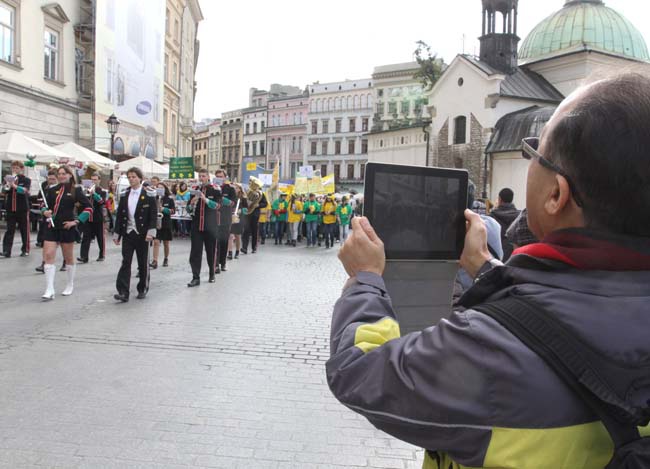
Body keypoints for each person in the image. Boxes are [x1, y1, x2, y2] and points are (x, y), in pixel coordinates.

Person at [327, 72, 650, 468]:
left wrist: (365, 280)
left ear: (556, 194)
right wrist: (487, 269)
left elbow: (360, 371)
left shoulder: (487, 349)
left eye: (535, 153)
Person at [40, 165, 92, 300]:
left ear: (70, 175)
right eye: (60, 173)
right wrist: (45, 211)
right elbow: (44, 205)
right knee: (48, 254)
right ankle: (49, 288)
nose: (61, 175)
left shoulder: (76, 190)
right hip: (52, 226)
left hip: (67, 227)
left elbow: (88, 208)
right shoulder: (52, 190)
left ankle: (70, 284)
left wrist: (77, 221)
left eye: (64, 173)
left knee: (68, 257)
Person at [113, 167, 157, 302]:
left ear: (140, 178)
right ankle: (123, 291)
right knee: (126, 261)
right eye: (129, 177)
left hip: (142, 233)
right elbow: (120, 215)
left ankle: (142, 288)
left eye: (134, 177)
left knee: (142, 261)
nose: (131, 179)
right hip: (128, 232)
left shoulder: (148, 194)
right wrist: (117, 233)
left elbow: (153, 215)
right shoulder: (125, 194)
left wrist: (151, 232)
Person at [187, 168, 220, 287]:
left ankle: (212, 273)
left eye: (203, 176)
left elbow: (217, 206)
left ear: (208, 177)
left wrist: (205, 199)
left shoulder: (215, 189)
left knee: (210, 251)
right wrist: (191, 203)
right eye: (200, 176)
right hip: (196, 226)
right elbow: (187, 210)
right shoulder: (194, 190)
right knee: (195, 252)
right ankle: (195, 277)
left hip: (210, 226)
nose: (201, 178)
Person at [1, 160, 31, 258]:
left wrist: (14, 185)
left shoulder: (26, 179)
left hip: (22, 208)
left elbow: (25, 191)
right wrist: (6, 186)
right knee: (9, 230)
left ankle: (25, 249)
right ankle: (6, 251)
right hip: (10, 208)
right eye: (13, 168)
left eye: (17, 168)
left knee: (24, 230)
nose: (14, 170)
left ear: (21, 169)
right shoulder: (7, 179)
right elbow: (3, 192)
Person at [78, 172, 108, 263]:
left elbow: (101, 202)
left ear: (99, 180)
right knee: (86, 237)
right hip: (87, 217)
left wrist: (94, 193)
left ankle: (102, 255)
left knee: (100, 237)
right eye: (92, 180)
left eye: (95, 180)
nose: (93, 181)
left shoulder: (103, 191)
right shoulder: (86, 190)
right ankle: (84, 257)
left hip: (98, 217)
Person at [489, 187, 520, 260]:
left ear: (499, 199)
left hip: (495, 259)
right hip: (513, 260)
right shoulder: (519, 217)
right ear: (512, 199)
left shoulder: (491, 217)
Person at [213, 169, 235, 271]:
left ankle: (223, 262)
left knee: (224, 241)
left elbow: (233, 202)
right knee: (215, 242)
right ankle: (216, 264)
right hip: (214, 218)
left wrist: (224, 199)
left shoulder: (230, 188)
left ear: (225, 177)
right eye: (217, 176)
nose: (219, 178)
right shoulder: (212, 188)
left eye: (221, 176)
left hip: (226, 218)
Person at [241, 175, 268, 254]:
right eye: (250, 182)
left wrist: (258, 205)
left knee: (254, 231)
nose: (250, 183)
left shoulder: (261, 193)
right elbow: (243, 201)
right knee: (245, 231)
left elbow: (265, 203)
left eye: (251, 182)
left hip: (255, 214)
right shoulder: (247, 191)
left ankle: (254, 247)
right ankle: (244, 248)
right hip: (247, 213)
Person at [151, 183, 175, 268]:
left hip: (166, 222)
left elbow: (173, 211)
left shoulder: (169, 199)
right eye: (158, 188)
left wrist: (164, 209)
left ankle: (166, 258)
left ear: (165, 189)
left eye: (161, 188)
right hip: (156, 223)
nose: (160, 189)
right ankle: (155, 260)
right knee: (156, 242)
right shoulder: (154, 198)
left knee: (166, 243)